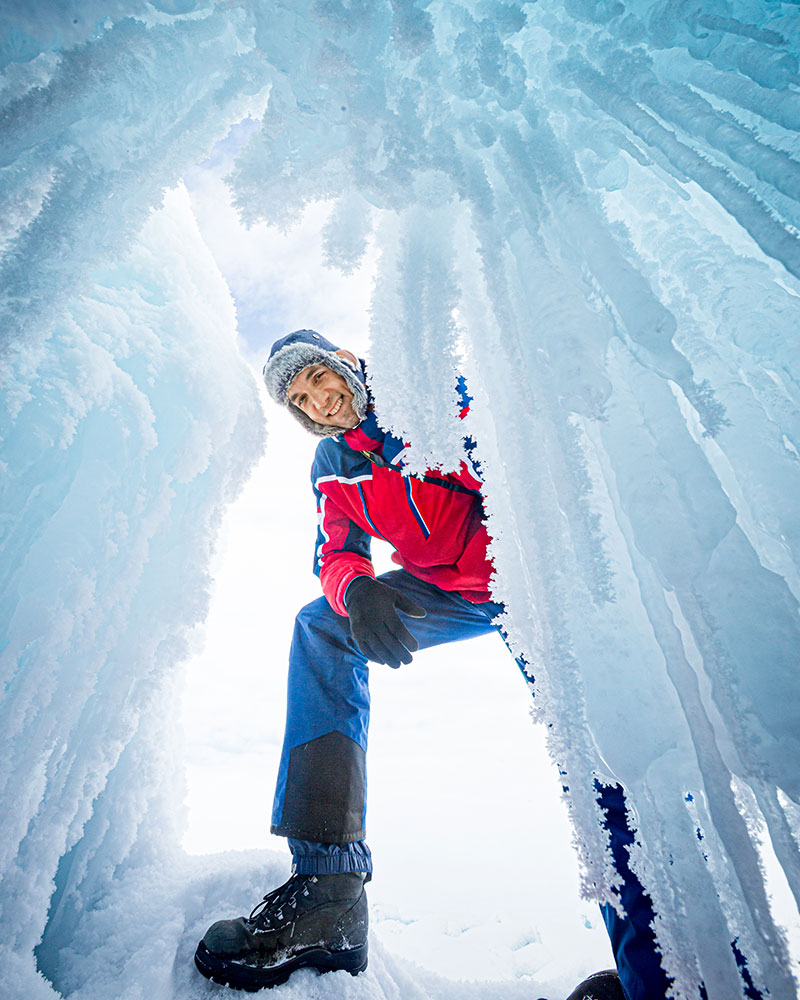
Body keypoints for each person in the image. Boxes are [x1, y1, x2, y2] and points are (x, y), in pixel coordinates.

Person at [194, 329, 668, 1000]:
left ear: (346, 364)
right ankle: (329, 889)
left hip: (536, 580)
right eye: (299, 399)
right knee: (321, 627)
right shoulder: (332, 463)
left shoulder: (428, 401)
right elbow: (336, 550)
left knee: (606, 759)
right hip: (450, 595)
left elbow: (520, 472)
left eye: (318, 378)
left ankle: (664, 977)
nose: (317, 401)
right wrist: (357, 592)